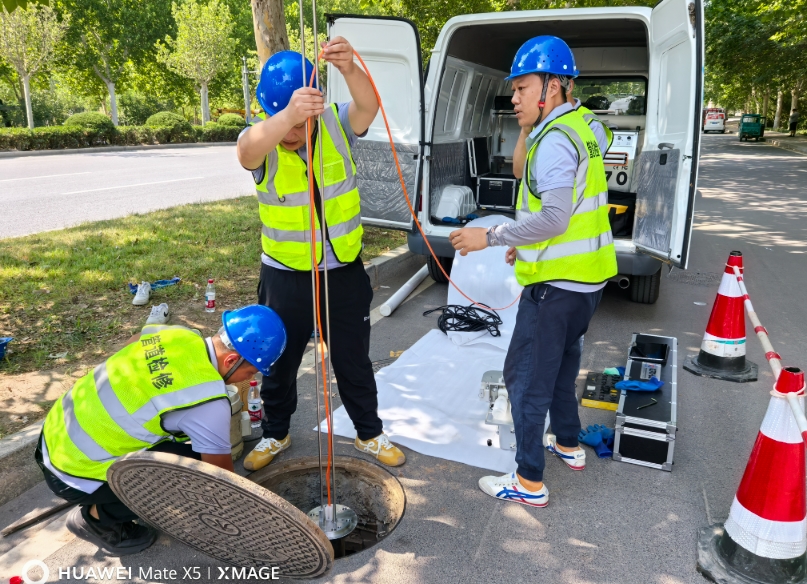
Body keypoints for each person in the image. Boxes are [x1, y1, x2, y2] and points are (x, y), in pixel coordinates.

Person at [448, 36, 617, 507]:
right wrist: (526, 246)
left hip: (555, 289)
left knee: (525, 379)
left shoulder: (555, 142)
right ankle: (568, 444)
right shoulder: (585, 126)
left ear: (555, 87)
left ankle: (527, 482)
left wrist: (494, 236)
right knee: (563, 367)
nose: (514, 97)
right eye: (514, 89)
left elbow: (556, 218)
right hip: (587, 281)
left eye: (523, 88)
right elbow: (533, 179)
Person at [236, 40, 406, 471]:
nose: (296, 134)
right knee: (279, 360)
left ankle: (369, 433)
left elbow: (369, 105)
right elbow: (245, 152)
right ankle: (275, 434)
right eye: (288, 122)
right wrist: (287, 117)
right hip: (285, 276)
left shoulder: (334, 123)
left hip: (342, 271)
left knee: (352, 358)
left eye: (303, 122)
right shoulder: (263, 137)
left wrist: (350, 70)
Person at [36, 304, 286, 555]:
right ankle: (97, 520)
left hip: (53, 437)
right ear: (231, 360)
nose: (246, 379)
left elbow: (132, 342)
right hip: (73, 473)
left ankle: (107, 498)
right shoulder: (208, 401)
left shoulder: (180, 335)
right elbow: (220, 479)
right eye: (250, 371)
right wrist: (250, 522)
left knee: (182, 457)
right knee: (189, 479)